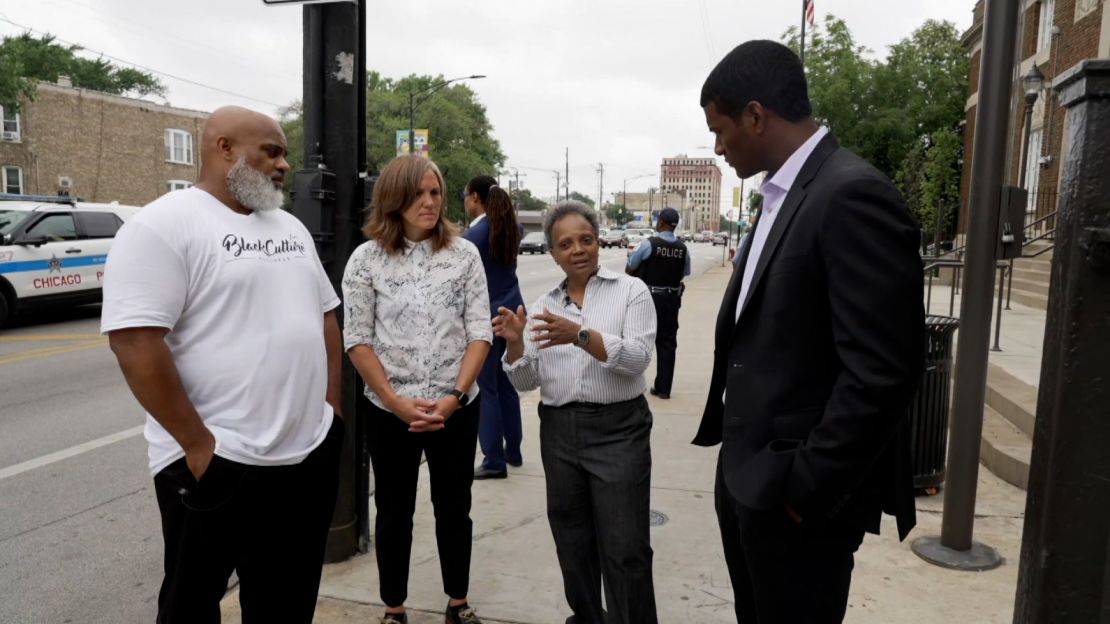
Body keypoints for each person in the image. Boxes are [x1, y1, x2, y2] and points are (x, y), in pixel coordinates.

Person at [693, 41, 925, 623]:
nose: (718, 148)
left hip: (795, 499)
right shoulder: (780, 193)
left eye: (720, 130)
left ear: (755, 115)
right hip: (749, 477)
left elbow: (883, 371)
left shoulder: (851, 194)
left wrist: (805, 491)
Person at [101, 106, 344, 623]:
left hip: (304, 460)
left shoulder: (290, 227)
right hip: (217, 461)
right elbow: (135, 343)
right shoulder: (163, 225)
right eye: (272, 151)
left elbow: (324, 319)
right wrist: (198, 446)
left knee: (286, 601)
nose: (283, 165)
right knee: (192, 604)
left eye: (284, 154)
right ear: (224, 147)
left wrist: (331, 419)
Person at [342, 155, 492, 624]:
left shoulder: (464, 254)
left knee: (454, 507)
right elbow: (357, 339)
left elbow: (479, 332)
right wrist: (394, 401)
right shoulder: (365, 260)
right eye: (418, 193)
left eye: (435, 192)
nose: (429, 202)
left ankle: (457, 602)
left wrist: (456, 396)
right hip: (390, 411)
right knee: (393, 510)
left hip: (457, 407)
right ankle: (394, 608)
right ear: (394, 197)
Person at [494, 200, 659, 624]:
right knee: (572, 541)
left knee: (626, 548)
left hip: (619, 430)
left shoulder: (630, 292)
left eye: (585, 239)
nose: (578, 250)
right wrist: (514, 344)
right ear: (552, 252)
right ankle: (588, 617)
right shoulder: (544, 305)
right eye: (566, 244)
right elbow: (526, 381)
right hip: (560, 433)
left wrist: (581, 335)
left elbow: (638, 358)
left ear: (598, 241)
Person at [462, 175, 526, 480]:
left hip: (486, 316)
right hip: (511, 310)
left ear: (475, 197)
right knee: (506, 384)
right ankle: (513, 450)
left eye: (465, 196)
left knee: (486, 389)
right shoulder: (512, 227)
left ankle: (493, 460)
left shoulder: (473, 237)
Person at [625, 206, 690, 399]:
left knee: (637, 340)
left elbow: (631, 268)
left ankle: (631, 387)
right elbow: (684, 273)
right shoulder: (682, 248)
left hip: (648, 299)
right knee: (667, 343)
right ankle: (663, 389)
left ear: (661, 222)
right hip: (671, 300)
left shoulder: (649, 244)